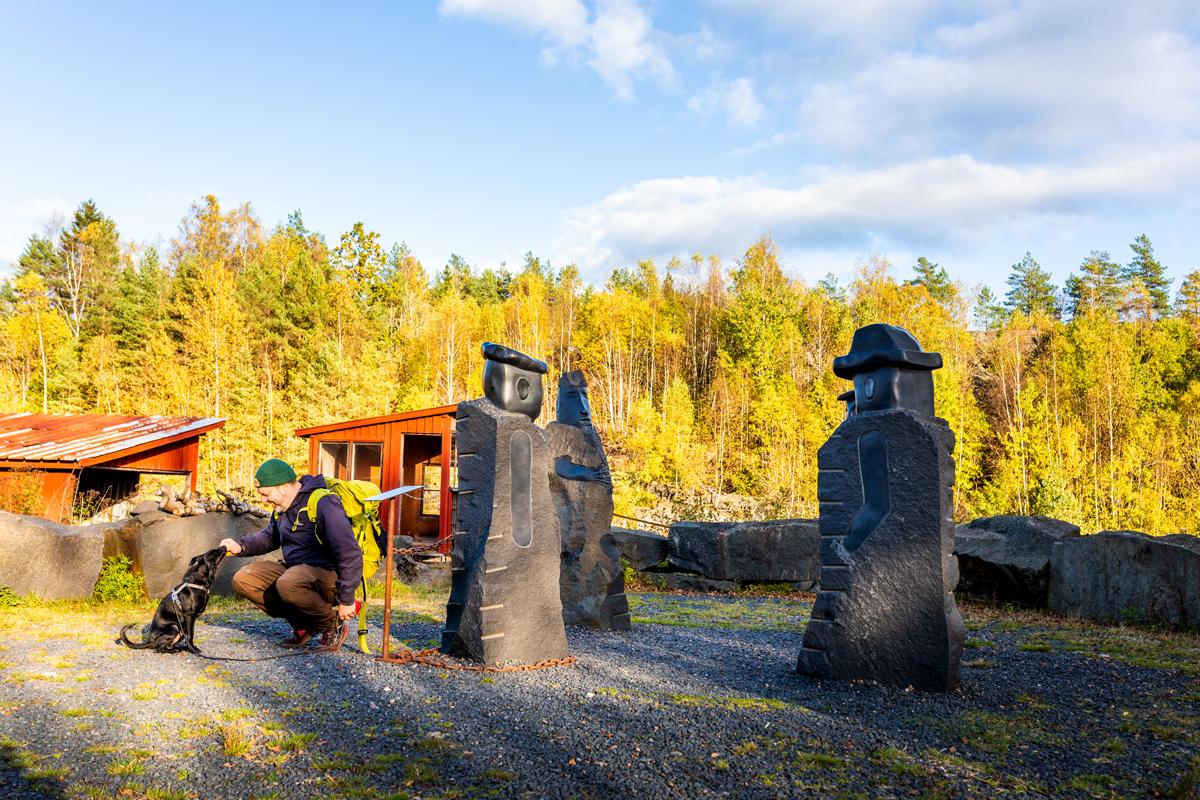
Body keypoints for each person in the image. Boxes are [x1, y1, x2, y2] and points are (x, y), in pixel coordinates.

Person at [219, 458, 362, 651]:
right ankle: (305, 624)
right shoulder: (281, 510)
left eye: (266, 494)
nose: (263, 500)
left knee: (288, 582)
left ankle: (332, 624)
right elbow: (270, 537)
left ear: (284, 487)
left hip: (329, 578)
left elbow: (349, 552)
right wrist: (240, 546)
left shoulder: (323, 503)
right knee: (244, 578)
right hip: (297, 574)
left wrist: (347, 598)